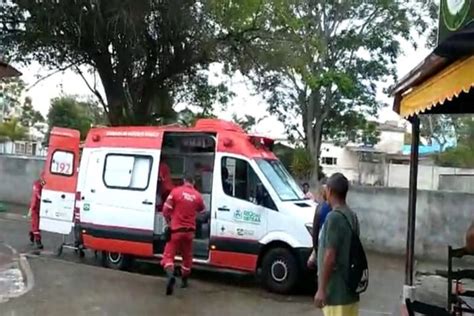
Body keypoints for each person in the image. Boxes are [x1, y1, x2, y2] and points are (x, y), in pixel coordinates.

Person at [315, 173, 360, 316]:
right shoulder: (352, 216)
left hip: (336, 294)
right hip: (350, 293)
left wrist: (321, 289)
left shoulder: (333, 218)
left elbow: (330, 255)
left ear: (329, 191)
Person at [161, 174, 205, 295]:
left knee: (168, 256)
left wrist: (169, 222)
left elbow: (165, 210)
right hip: (189, 232)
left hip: (176, 231)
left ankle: (170, 276)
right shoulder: (197, 196)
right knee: (187, 257)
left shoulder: (175, 192)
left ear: (184, 180)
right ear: (193, 182)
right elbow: (202, 211)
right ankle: (184, 280)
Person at [307, 181, 332, 269]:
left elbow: (315, 231)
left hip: (322, 243)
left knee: (312, 265)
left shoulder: (319, 208)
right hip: (331, 245)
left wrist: (315, 249)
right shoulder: (335, 208)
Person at [29, 172, 45, 250]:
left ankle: (32, 233)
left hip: (40, 207)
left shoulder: (42, 184)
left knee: (38, 224)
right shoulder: (37, 185)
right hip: (35, 207)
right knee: (36, 224)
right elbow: (38, 195)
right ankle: (38, 241)